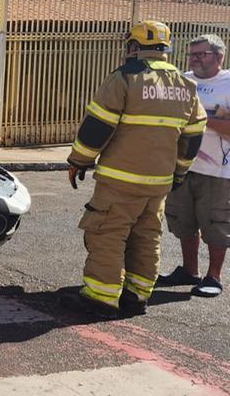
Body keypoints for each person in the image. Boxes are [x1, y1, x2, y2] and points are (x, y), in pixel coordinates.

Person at [65, 20, 206, 318]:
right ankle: (137, 296)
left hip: (120, 180)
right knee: (147, 236)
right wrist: (179, 173)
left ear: (134, 47)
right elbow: (193, 137)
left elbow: (97, 127)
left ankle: (100, 299)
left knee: (108, 233)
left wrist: (79, 160)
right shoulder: (186, 85)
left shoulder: (126, 78)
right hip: (159, 183)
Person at [158, 34, 230, 298]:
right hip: (182, 165)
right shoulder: (183, 80)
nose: (195, 59)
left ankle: (214, 276)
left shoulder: (228, 84)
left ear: (219, 56)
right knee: (182, 220)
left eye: (202, 54)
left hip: (218, 171)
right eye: (192, 54)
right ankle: (190, 271)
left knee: (215, 224)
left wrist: (199, 116)